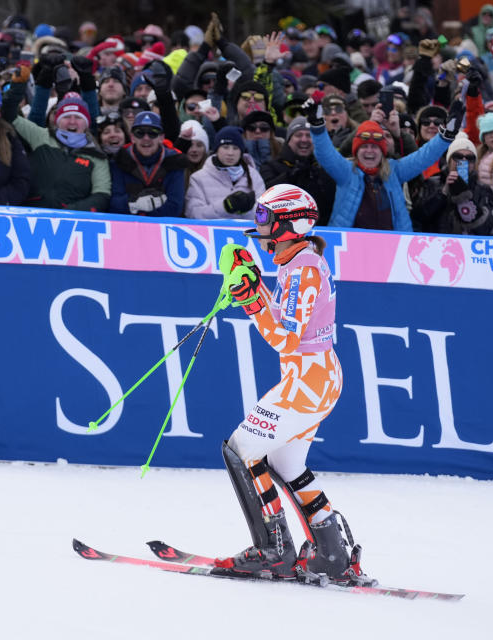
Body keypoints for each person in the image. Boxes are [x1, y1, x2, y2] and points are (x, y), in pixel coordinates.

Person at [213, 184, 373, 586]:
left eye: (265, 219)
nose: (258, 226)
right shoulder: (298, 262)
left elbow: (284, 337)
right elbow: (288, 322)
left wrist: (251, 300)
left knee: (241, 450)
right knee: (286, 463)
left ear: (288, 225)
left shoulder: (303, 268)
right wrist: (255, 285)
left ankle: (272, 549)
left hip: (309, 379)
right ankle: (333, 555)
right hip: (314, 376)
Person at [308, 97, 461, 231]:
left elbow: (424, 157)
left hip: (393, 245)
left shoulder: (394, 170)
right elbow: (325, 154)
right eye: (364, 146)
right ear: (356, 151)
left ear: (382, 151)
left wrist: (446, 135)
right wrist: (317, 127)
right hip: (349, 245)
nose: (369, 151)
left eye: (375, 147)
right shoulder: (346, 172)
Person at [109, 110, 187, 217]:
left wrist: (134, 209)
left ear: (161, 138)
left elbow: (175, 207)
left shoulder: (175, 162)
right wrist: (135, 203)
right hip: (127, 226)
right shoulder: (119, 161)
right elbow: (113, 203)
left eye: (153, 133)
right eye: (140, 133)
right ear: (132, 137)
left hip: (162, 227)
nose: (146, 138)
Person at [260, 117, 336, 225]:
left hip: (319, 231)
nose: (304, 139)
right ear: (289, 139)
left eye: (309, 135)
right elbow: (265, 195)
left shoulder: (324, 168)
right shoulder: (271, 166)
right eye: (298, 135)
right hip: (282, 231)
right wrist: (291, 176)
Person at [185, 125, 264, 219]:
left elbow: (265, 214)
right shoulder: (198, 178)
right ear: (217, 150)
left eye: (235, 148)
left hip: (247, 233)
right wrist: (224, 207)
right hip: (212, 233)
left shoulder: (254, 176)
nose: (230, 153)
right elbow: (193, 214)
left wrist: (248, 210)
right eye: (225, 147)